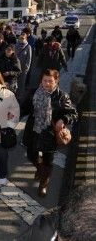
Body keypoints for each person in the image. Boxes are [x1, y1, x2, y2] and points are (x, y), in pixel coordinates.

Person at [22, 69, 77, 197]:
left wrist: (63, 119)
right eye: (44, 80)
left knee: (48, 160)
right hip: (34, 130)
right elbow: (24, 108)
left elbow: (73, 113)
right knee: (31, 155)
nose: (47, 84)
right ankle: (40, 169)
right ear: (41, 80)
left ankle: (43, 184)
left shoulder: (62, 97)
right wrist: (13, 114)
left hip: (50, 134)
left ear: (56, 81)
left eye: (50, 81)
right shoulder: (33, 92)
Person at [15, 33, 32, 102]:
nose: (21, 39)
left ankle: (20, 96)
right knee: (15, 82)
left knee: (22, 83)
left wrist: (27, 68)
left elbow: (29, 58)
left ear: (25, 39)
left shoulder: (28, 47)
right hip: (16, 68)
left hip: (23, 68)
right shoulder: (16, 46)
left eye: (23, 38)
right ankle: (14, 95)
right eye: (20, 38)